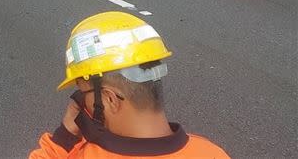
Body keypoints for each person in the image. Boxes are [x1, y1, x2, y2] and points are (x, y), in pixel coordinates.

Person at [29, 11, 229, 159]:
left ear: (109, 99)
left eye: (82, 95)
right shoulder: (213, 153)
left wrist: (64, 137)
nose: (82, 105)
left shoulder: (86, 155)